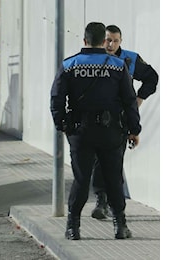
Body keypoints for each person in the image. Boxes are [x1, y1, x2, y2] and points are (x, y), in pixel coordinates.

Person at [50, 22, 141, 240]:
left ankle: (73, 227)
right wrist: (134, 129)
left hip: (80, 131)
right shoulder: (119, 66)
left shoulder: (69, 65)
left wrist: (62, 125)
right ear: (103, 42)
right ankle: (120, 226)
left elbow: (56, 99)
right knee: (113, 177)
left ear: (84, 41)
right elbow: (129, 101)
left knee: (81, 179)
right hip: (111, 132)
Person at [90, 24, 159, 220]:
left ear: (121, 42)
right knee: (98, 161)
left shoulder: (129, 59)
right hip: (97, 118)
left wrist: (139, 99)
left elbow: (152, 78)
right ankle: (101, 201)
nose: (111, 44)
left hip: (120, 119)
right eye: (108, 40)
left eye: (115, 41)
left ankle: (114, 205)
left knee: (114, 161)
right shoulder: (94, 59)